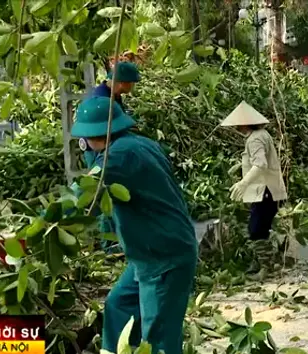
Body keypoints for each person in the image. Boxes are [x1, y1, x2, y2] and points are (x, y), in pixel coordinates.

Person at [71, 96, 197, 354]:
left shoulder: (118, 157)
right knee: (119, 306)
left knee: (158, 337)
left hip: (164, 256)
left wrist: (31, 231)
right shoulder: (138, 144)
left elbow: (83, 197)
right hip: (148, 254)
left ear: (93, 135)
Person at [222, 101, 287, 280]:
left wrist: (243, 183)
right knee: (262, 228)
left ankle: (266, 268)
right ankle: (269, 263)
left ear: (243, 123)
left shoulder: (255, 138)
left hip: (265, 190)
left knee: (256, 230)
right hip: (269, 189)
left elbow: (260, 164)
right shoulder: (261, 134)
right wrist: (242, 165)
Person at [84, 61, 141, 253]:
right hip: (98, 151)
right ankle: (108, 246)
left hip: (110, 148)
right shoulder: (100, 99)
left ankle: (114, 241)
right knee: (103, 192)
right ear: (122, 82)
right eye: (131, 83)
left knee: (115, 194)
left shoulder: (114, 96)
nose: (132, 87)